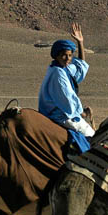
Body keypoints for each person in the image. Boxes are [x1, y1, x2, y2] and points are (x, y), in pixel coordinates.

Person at [38, 22, 94, 154]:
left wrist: (80, 42)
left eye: (69, 55)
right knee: (90, 135)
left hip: (64, 112)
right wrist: (83, 113)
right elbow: (67, 100)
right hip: (59, 115)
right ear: (56, 55)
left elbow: (80, 68)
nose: (67, 58)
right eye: (64, 55)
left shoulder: (64, 69)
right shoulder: (57, 73)